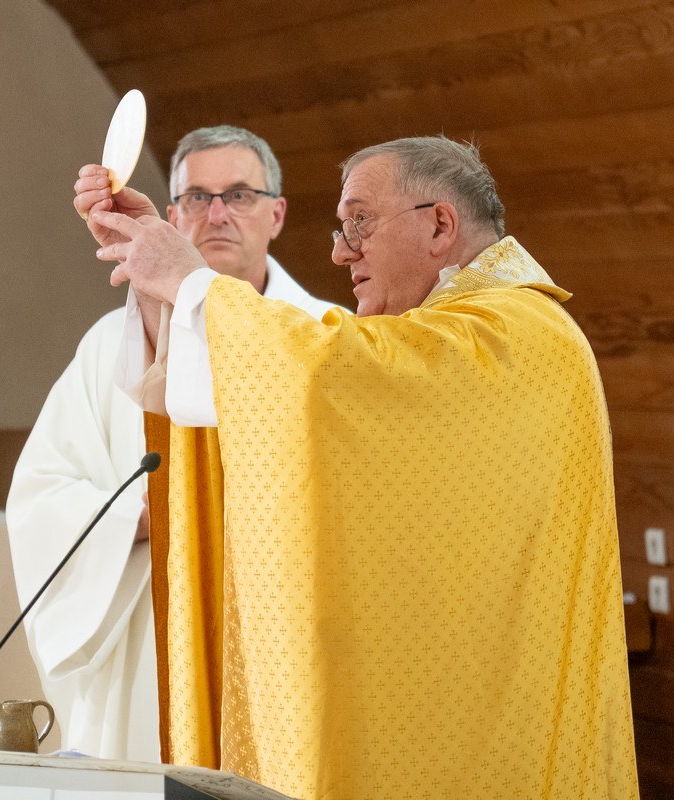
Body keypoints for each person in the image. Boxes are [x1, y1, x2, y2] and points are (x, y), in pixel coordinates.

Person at [86, 136, 638, 798]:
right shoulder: (484, 329)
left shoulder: (508, 334)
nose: (340, 252)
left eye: (359, 223)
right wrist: (163, 277)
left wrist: (188, 280)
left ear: (440, 225)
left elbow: (327, 374)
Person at [6, 125, 336, 761]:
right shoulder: (109, 344)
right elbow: (41, 493)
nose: (217, 214)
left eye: (238, 195)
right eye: (196, 198)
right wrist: (136, 517)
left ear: (276, 214)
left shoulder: (325, 336)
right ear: (174, 216)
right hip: (150, 627)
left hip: (282, 621)